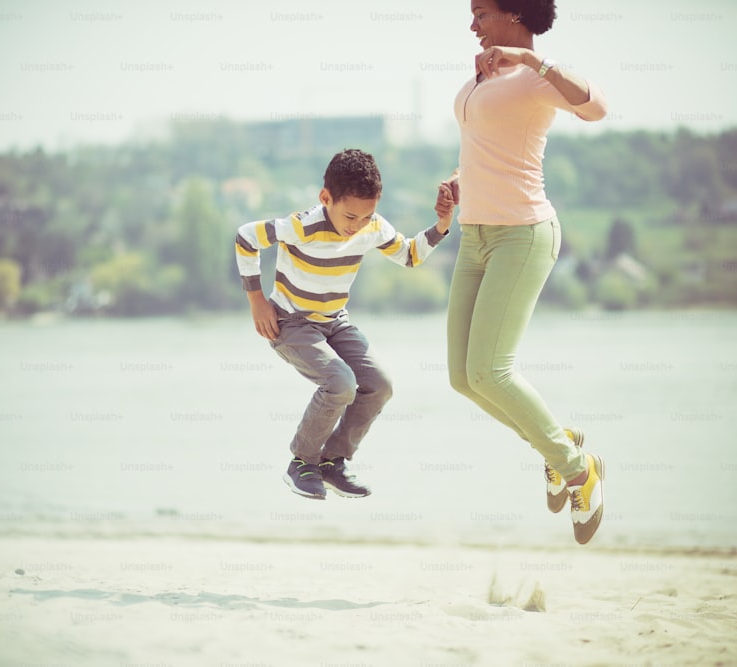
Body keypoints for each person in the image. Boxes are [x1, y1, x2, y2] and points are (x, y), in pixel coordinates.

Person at [439, 0, 609, 544]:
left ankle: (579, 469)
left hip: (523, 233)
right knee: (464, 378)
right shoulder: (483, 75)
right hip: (475, 235)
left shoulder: (537, 78)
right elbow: (491, 144)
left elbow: (597, 107)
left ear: (514, 15)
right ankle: (560, 441)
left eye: (480, 12)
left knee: (493, 370)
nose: (471, 23)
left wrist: (530, 60)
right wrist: (461, 181)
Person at [236, 149, 456, 500]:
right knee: (340, 383)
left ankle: (331, 462)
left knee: (379, 384)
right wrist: (256, 301)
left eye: (366, 216)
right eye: (350, 215)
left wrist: (443, 224)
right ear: (326, 198)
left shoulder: (372, 226)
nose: (356, 226)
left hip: (335, 323)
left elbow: (411, 255)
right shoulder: (303, 226)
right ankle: (301, 463)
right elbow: (246, 238)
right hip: (290, 323)